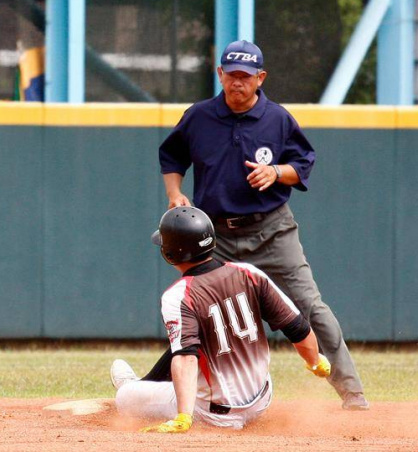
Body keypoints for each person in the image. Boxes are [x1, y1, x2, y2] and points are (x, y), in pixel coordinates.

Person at [157, 40, 367, 410]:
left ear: (260, 77)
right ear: (220, 74)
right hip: (216, 237)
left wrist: (276, 172)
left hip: (271, 231)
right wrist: (175, 193)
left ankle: (353, 394)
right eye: (231, 74)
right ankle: (154, 391)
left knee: (310, 306)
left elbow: (303, 163)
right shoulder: (199, 117)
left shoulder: (277, 119)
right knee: (194, 311)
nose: (237, 82)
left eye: (245, 75)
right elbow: (171, 155)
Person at [111, 206, 331, 432]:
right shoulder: (248, 273)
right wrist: (315, 361)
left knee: (126, 396)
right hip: (261, 401)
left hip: (212, 413)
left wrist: (184, 416)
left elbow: (186, 358)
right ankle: (148, 382)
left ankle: (132, 387)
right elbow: (298, 328)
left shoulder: (178, 295)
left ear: (170, 253)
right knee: (188, 343)